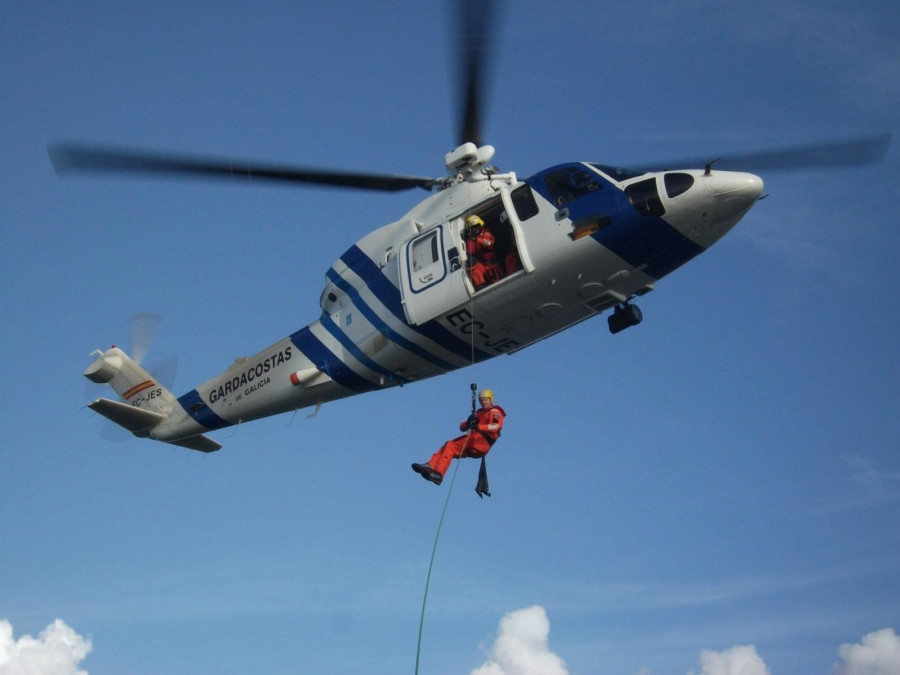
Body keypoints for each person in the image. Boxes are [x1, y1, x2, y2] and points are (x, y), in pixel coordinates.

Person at [412, 389, 506, 486]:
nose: (483, 402)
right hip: (474, 443)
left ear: (491, 400)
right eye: (481, 400)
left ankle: (438, 473)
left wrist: (478, 426)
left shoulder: (495, 411)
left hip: (480, 441)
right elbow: (462, 427)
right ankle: (431, 466)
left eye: (485, 400)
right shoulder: (479, 413)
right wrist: (468, 422)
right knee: (447, 447)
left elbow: (496, 427)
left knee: (450, 445)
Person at [463, 215, 502, 288]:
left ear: (480, 225)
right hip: (481, 266)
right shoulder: (471, 240)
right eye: (472, 228)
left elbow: (489, 243)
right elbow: (470, 253)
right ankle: (480, 285)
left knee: (498, 285)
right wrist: (470, 240)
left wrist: (477, 240)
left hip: (491, 265)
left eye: (476, 226)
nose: (475, 229)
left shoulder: (486, 233)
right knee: (471, 261)